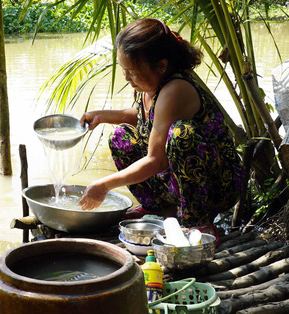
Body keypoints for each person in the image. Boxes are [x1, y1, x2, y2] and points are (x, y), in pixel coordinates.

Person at [78, 18, 246, 227]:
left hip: (218, 184)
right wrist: (102, 116)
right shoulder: (149, 85)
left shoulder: (175, 88)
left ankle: (198, 222)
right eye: (124, 70)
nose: (128, 78)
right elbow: (147, 117)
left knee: (181, 135)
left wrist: (103, 185)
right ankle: (161, 208)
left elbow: (155, 160)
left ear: (161, 66)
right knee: (121, 137)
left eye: (133, 72)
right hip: (180, 176)